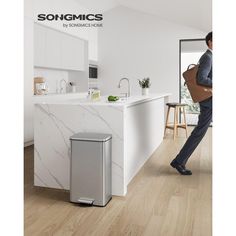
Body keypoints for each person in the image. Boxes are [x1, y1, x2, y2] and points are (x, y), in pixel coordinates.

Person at [170, 32, 213, 175]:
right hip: (209, 102)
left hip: (210, 100)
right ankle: (179, 161)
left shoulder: (210, 57)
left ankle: (179, 160)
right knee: (199, 132)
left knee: (199, 131)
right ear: (210, 42)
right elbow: (201, 79)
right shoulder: (207, 57)